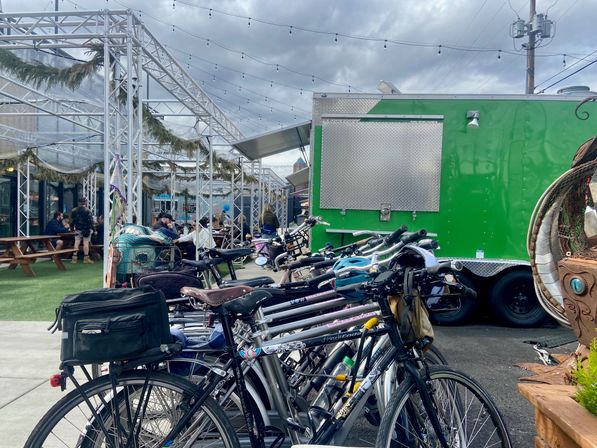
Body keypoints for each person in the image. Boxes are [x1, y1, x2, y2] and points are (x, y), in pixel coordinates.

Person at [70, 197, 94, 264]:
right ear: (85, 202)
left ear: (79, 202)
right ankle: (86, 258)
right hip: (86, 229)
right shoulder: (88, 210)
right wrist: (94, 229)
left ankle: (74, 258)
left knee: (76, 242)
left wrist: (72, 228)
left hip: (77, 228)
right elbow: (91, 221)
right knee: (85, 243)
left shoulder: (74, 210)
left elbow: (71, 221)